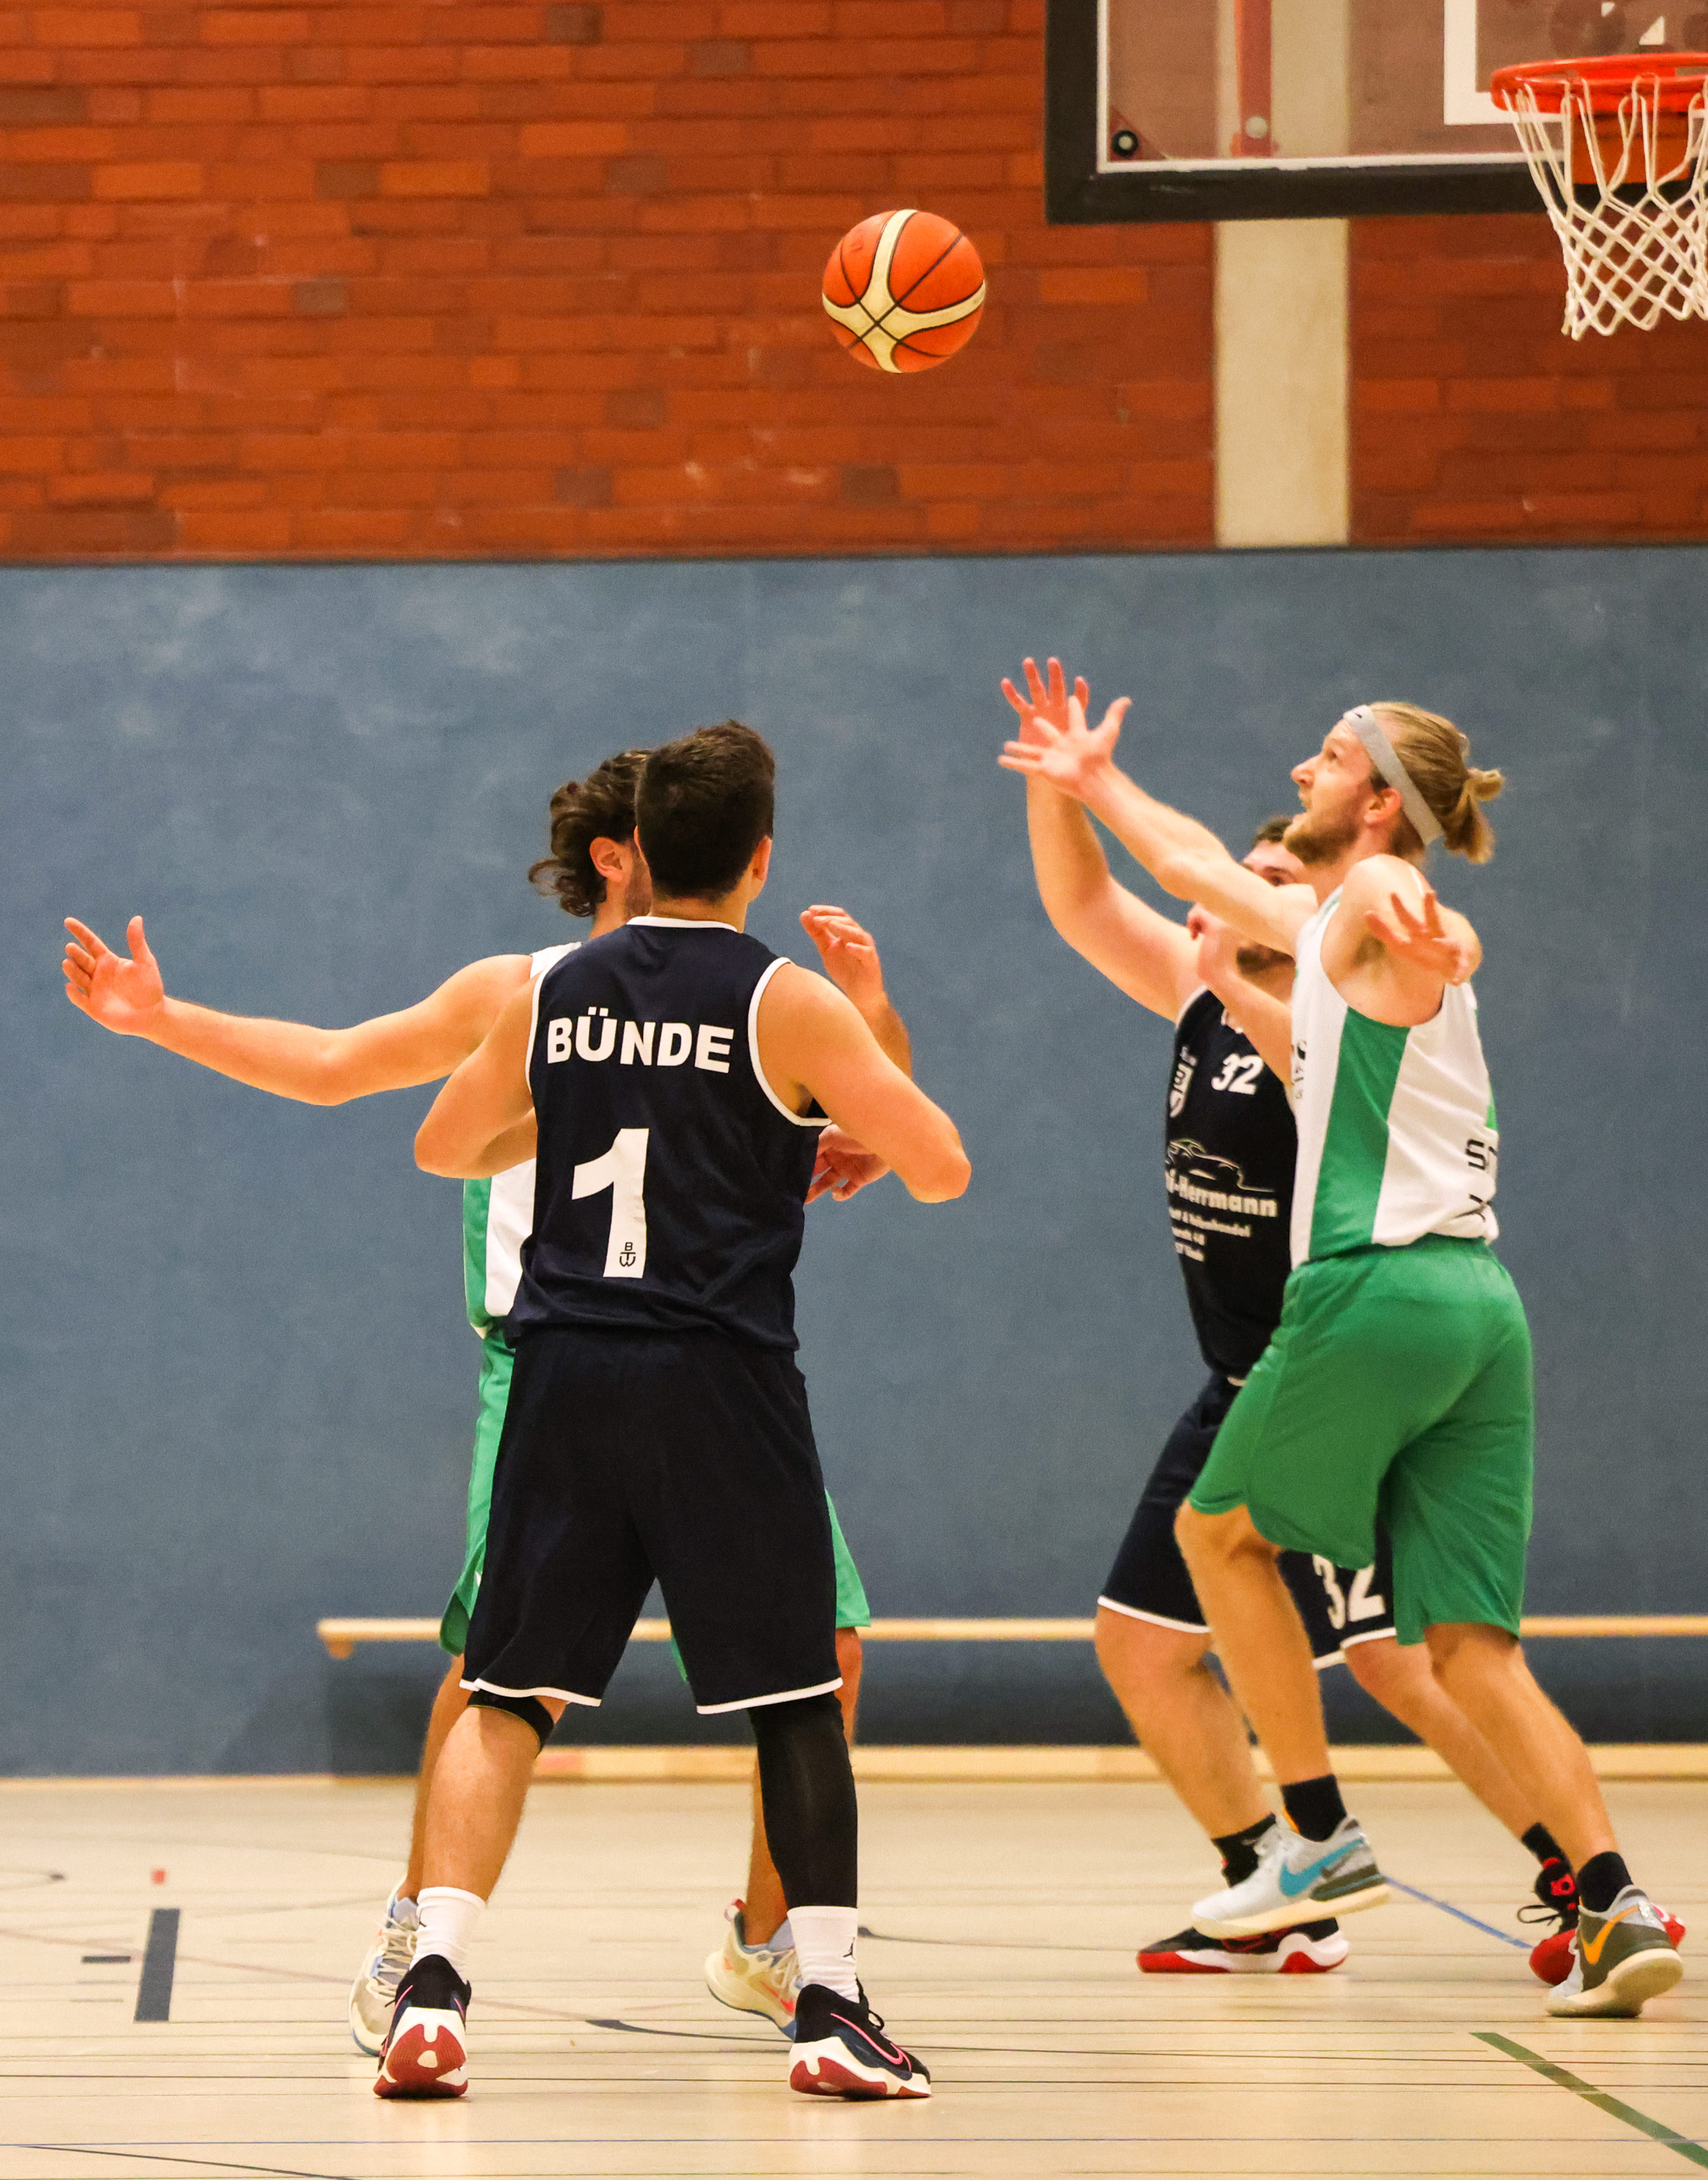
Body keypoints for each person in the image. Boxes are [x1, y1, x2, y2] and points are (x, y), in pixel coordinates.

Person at [60, 749, 903, 2051]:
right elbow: (337, 1061)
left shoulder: (749, 993)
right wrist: (162, 1018)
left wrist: (867, 1059)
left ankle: (770, 1937)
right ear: (619, 854)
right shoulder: (526, 989)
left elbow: (877, 1112)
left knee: (827, 1645)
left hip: (709, 1364)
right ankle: (417, 1933)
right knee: (499, 1670)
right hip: (550, 1357)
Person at [1001, 684, 1684, 2019]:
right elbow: (1196, 875)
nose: (1298, 768)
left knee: (1218, 1541)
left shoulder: (1370, 896)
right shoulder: (1319, 974)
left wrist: (1443, 927)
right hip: (1477, 1304)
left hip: (1369, 1293)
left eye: (1324, 757)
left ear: (1377, 799)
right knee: (1468, 1648)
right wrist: (1087, 785)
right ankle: (1613, 1901)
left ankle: (1313, 1834)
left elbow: (1343, 892)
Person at [393, 720, 968, 2101]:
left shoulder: (557, 990)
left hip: (565, 1368)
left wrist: (587, 1110)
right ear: (760, 858)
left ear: (638, 849)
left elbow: (443, 1143)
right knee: (796, 1696)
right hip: (718, 1378)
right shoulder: (784, 1000)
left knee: (504, 1693)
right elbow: (941, 1162)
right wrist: (831, 1115)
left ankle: (431, 1985)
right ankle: (827, 2000)